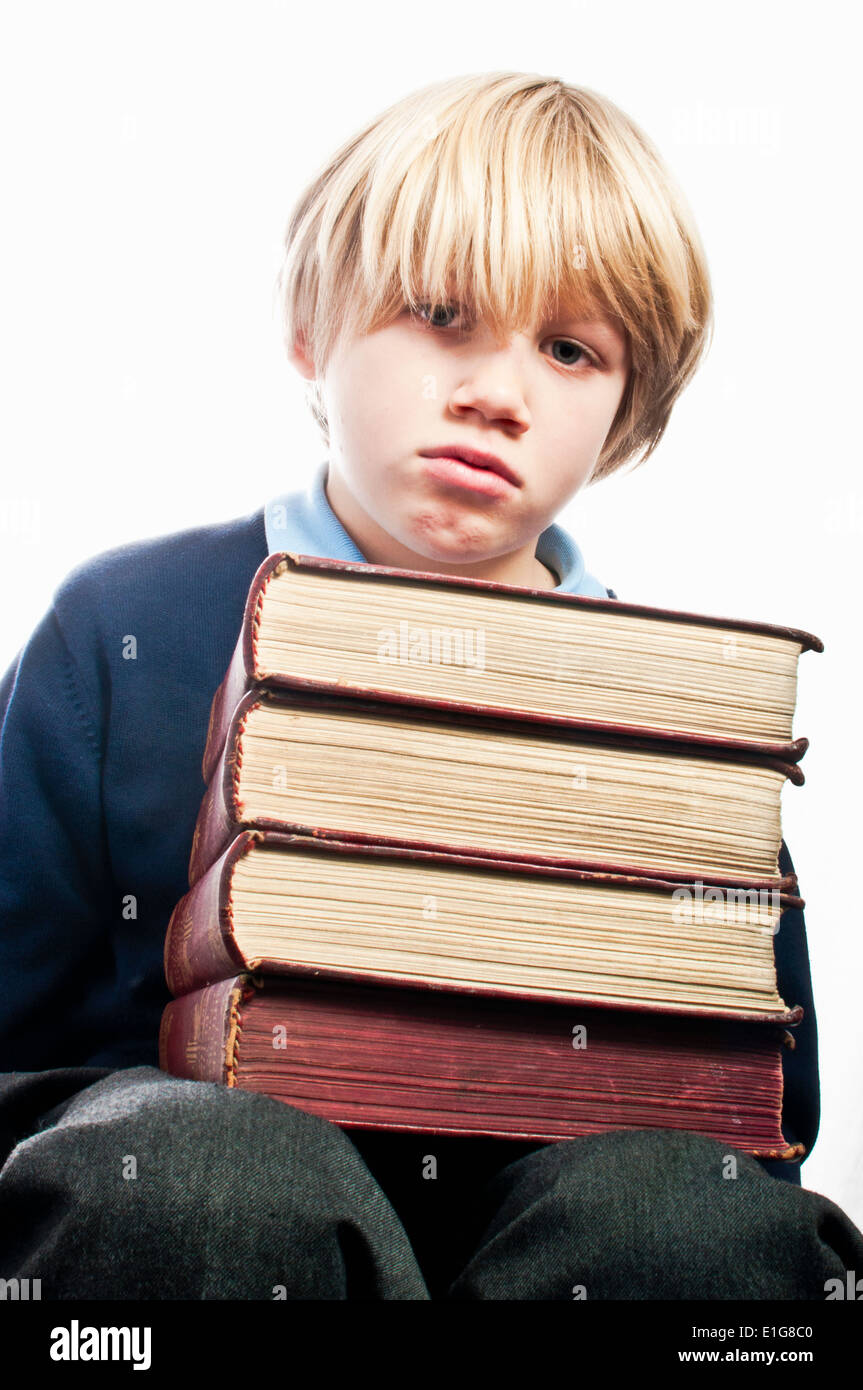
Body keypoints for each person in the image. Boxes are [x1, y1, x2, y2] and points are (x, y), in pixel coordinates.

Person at [1, 71, 861, 1301]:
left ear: (624, 412)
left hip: (562, 1233)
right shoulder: (123, 626)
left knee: (682, 1224)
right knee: (200, 1177)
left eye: (568, 349)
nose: (495, 395)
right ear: (314, 330)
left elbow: (764, 1098)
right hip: (195, 1235)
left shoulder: (681, 709)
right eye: (441, 315)